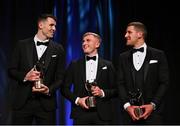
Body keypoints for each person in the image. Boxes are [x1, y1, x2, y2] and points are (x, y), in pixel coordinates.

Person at [8, 14, 65, 124]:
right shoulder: (22, 45)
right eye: (51, 25)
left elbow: (60, 77)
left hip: (46, 105)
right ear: (40, 25)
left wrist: (49, 89)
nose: (54, 29)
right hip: (23, 103)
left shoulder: (58, 49)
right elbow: (11, 70)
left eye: (55, 26)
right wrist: (25, 76)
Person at [117, 21, 169, 124]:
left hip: (154, 114)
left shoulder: (158, 55)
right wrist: (127, 106)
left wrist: (153, 104)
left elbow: (164, 82)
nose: (125, 35)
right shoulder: (122, 57)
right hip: (129, 115)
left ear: (139, 34)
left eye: (129, 32)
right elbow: (120, 83)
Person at [61, 32, 118, 124]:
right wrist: (78, 100)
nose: (84, 43)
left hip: (102, 115)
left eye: (88, 40)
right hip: (81, 114)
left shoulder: (108, 65)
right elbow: (64, 89)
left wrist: (102, 93)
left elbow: (117, 90)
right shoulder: (74, 65)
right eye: (83, 41)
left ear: (97, 44)